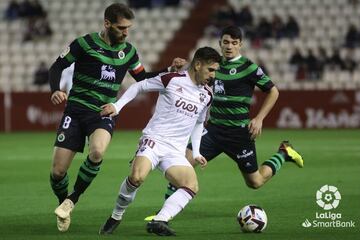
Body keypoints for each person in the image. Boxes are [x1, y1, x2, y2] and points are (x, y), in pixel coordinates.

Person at [49, 3, 186, 232]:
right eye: (122, 28)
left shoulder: (129, 51)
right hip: (75, 110)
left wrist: (167, 68)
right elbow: (57, 66)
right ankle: (63, 203)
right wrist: (55, 89)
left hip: (104, 111)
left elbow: (142, 77)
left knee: (97, 151)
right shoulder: (85, 43)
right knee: (57, 172)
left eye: (128, 28)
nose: (126, 32)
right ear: (107, 24)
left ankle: (73, 199)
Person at [146, 25, 304, 220]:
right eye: (226, 42)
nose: (230, 46)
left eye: (234, 43)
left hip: (239, 134)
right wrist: (175, 68)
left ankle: (284, 153)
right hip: (213, 131)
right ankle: (163, 214)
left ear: (240, 45)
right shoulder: (213, 66)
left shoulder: (249, 67)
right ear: (220, 43)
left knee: (255, 182)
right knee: (183, 164)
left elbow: (273, 91)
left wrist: (259, 118)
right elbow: (189, 79)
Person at [98, 46, 221, 236]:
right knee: (137, 178)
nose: (213, 75)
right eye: (210, 69)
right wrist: (117, 105)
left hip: (175, 151)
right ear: (197, 65)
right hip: (154, 140)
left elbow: (198, 123)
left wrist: (196, 152)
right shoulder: (171, 79)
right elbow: (139, 85)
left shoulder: (207, 94)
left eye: (215, 71)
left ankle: (159, 220)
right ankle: (116, 215)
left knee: (191, 185)